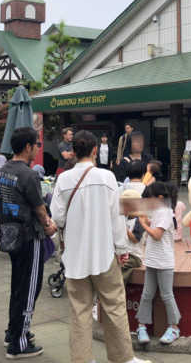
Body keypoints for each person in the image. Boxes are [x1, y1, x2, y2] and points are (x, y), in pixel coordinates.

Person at [50, 131, 150, 363]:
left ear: (73, 151)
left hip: (75, 257)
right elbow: (117, 219)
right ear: (95, 150)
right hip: (104, 254)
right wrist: (122, 249)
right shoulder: (106, 178)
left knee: (79, 311)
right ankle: (123, 358)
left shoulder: (63, 179)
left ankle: (82, 359)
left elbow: (57, 218)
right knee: (114, 306)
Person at [0, 126, 56, 359]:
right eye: (37, 145)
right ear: (28, 147)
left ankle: (13, 332)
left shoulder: (4, 171)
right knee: (31, 288)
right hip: (28, 236)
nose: (37, 149)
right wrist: (49, 224)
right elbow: (40, 208)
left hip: (10, 235)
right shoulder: (28, 174)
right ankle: (19, 343)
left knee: (18, 287)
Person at [136, 181, 181, 345]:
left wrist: (142, 225)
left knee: (167, 295)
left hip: (164, 261)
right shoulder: (158, 211)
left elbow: (157, 235)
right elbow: (155, 228)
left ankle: (174, 327)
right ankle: (141, 326)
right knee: (147, 294)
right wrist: (147, 222)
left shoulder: (165, 212)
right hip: (152, 259)